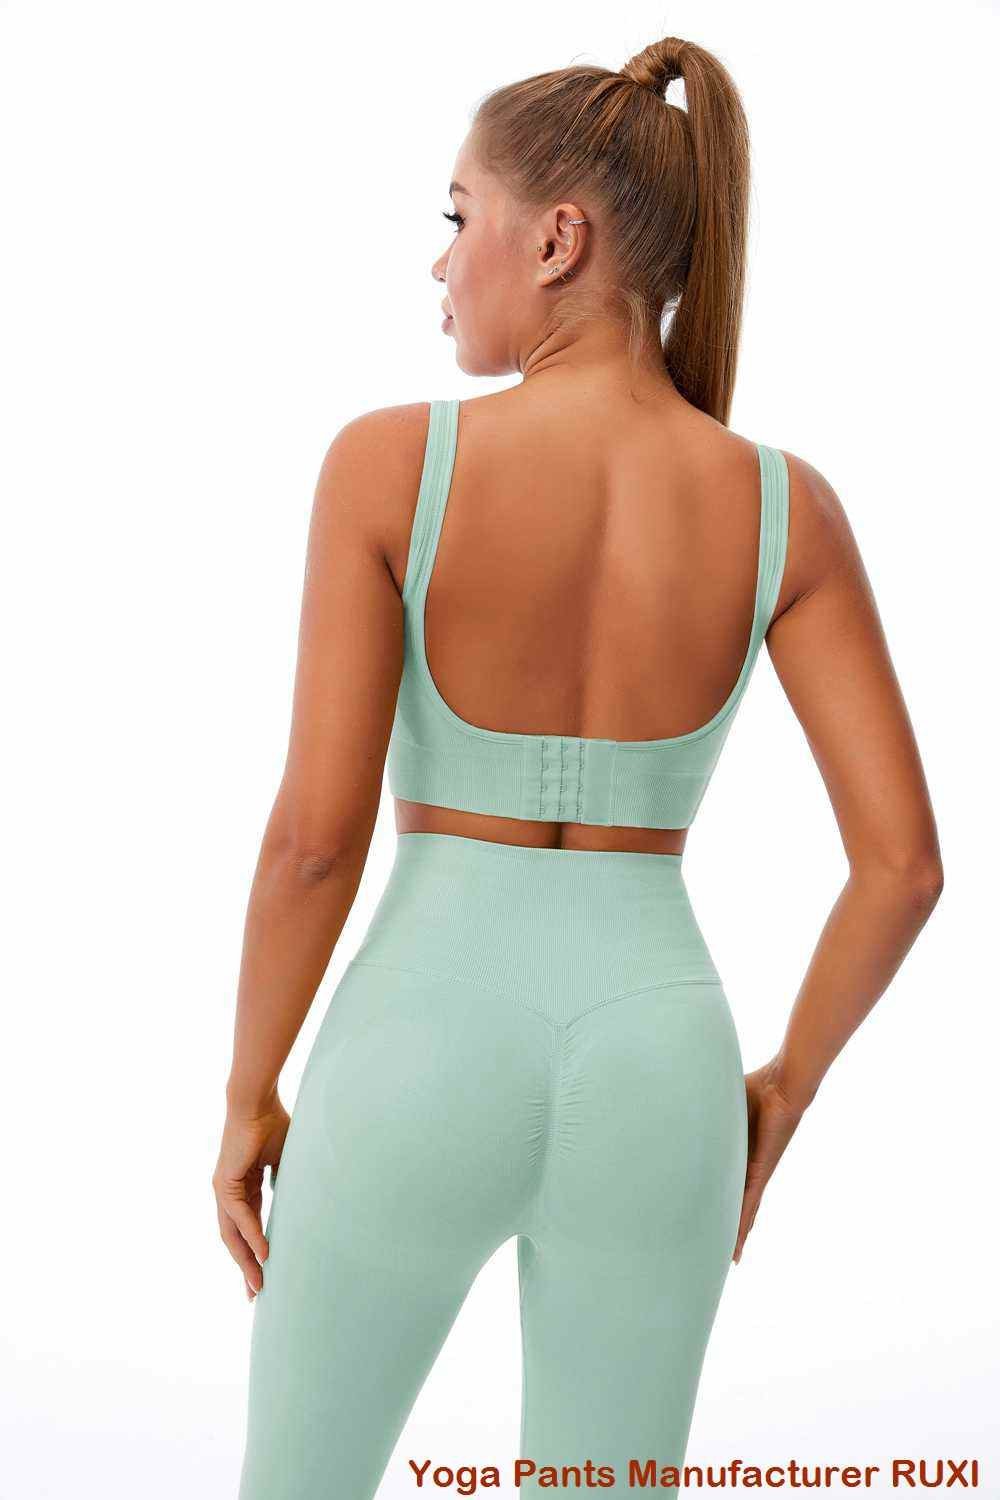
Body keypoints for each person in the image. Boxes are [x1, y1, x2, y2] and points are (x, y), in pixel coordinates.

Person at [215, 34, 943, 1500]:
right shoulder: (785, 507)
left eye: (456, 216)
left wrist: (248, 1093)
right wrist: (781, 1092)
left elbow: (314, 840)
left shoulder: (390, 465)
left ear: (556, 239)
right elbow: (903, 867)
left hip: (418, 1045)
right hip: (661, 1070)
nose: (440, 263)